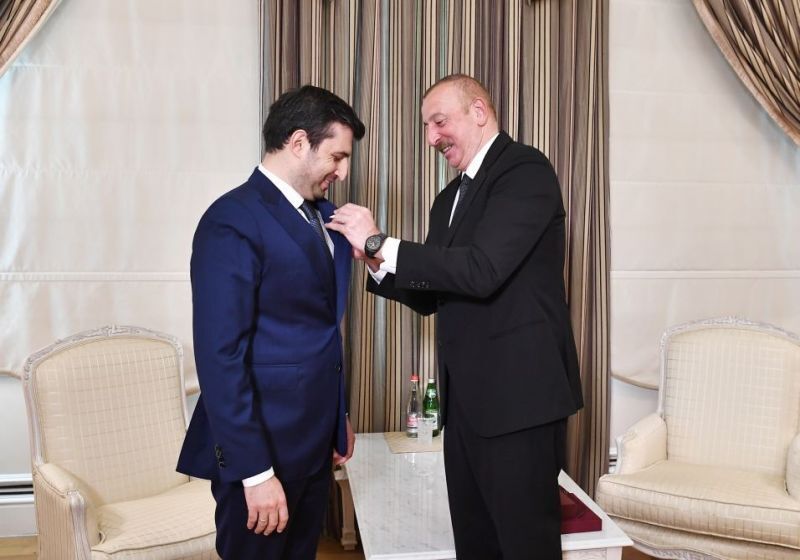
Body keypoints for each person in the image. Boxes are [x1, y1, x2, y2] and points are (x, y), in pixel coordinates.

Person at [326, 74, 583, 560]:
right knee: (475, 541)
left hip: (521, 401)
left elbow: (483, 270)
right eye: (426, 127)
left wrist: (381, 241)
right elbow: (433, 294)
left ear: (479, 112)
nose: (431, 138)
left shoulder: (525, 170)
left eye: (439, 122)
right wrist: (376, 262)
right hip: (465, 404)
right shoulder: (448, 199)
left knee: (524, 544)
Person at [177, 85, 365, 560]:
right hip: (262, 453)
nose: (343, 172)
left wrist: (337, 418)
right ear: (299, 142)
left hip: (313, 444)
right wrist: (255, 472)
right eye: (337, 157)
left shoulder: (328, 219)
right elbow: (220, 357)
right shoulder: (231, 220)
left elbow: (320, 330)